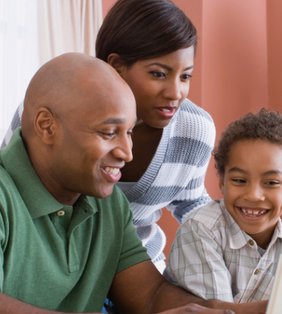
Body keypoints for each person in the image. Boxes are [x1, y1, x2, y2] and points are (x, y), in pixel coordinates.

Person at [0, 52, 266, 314]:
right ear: (46, 126)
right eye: (108, 132)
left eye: (129, 132)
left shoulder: (108, 202)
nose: (127, 153)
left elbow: (149, 297)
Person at [2, 0, 214, 272]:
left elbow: (194, 207)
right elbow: (11, 183)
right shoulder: (54, 107)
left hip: (139, 269)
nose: (175, 93)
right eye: (158, 73)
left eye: (185, 76)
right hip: (55, 267)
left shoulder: (194, 131)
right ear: (116, 66)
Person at [164, 109, 282, 303]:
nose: (253, 195)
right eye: (239, 180)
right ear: (222, 182)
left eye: (271, 182)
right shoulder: (200, 229)